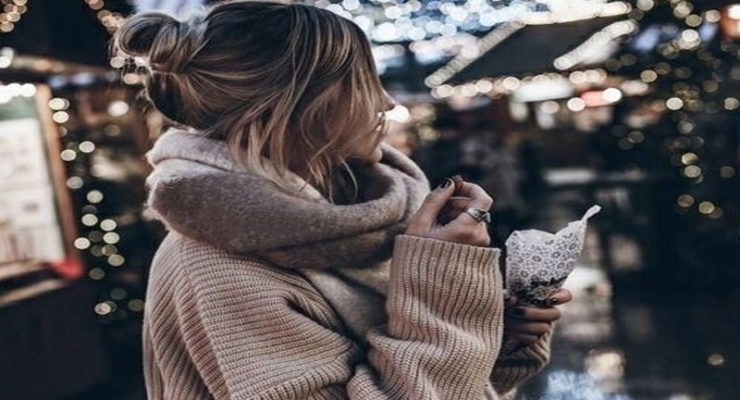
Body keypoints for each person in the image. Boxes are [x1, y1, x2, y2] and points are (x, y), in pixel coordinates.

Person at [111, 1, 571, 399]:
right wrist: (441, 289)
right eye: (362, 82)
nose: (384, 102)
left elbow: (451, 384)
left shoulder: (357, 225)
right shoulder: (217, 268)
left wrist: (496, 331)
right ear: (294, 105)